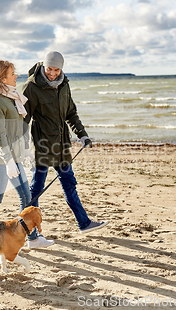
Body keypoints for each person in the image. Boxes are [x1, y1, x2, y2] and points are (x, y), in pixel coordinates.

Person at [22, 51, 109, 233]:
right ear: (44, 66)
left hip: (62, 146)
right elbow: (23, 120)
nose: (52, 73)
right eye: (49, 69)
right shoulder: (31, 87)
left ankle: (84, 223)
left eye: (56, 69)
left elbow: (71, 113)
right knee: (36, 188)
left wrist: (82, 134)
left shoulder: (64, 85)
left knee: (69, 183)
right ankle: (30, 232)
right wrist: (20, 147)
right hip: (43, 146)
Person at [0, 60, 54, 249]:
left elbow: (17, 130)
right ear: (2, 78)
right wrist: (8, 161)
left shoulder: (12, 98)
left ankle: (32, 238)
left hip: (15, 156)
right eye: (13, 73)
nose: (16, 76)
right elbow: (2, 134)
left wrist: (25, 152)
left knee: (26, 196)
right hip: (1, 158)